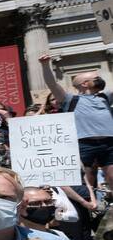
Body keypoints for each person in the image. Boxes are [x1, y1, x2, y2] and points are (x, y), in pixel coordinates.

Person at [40, 57, 113, 187]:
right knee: (88, 180)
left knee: (112, 176)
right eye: (96, 79)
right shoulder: (70, 99)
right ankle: (90, 205)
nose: (100, 81)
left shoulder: (105, 96)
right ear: (84, 84)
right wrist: (45, 65)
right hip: (84, 144)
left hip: (109, 142)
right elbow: (52, 84)